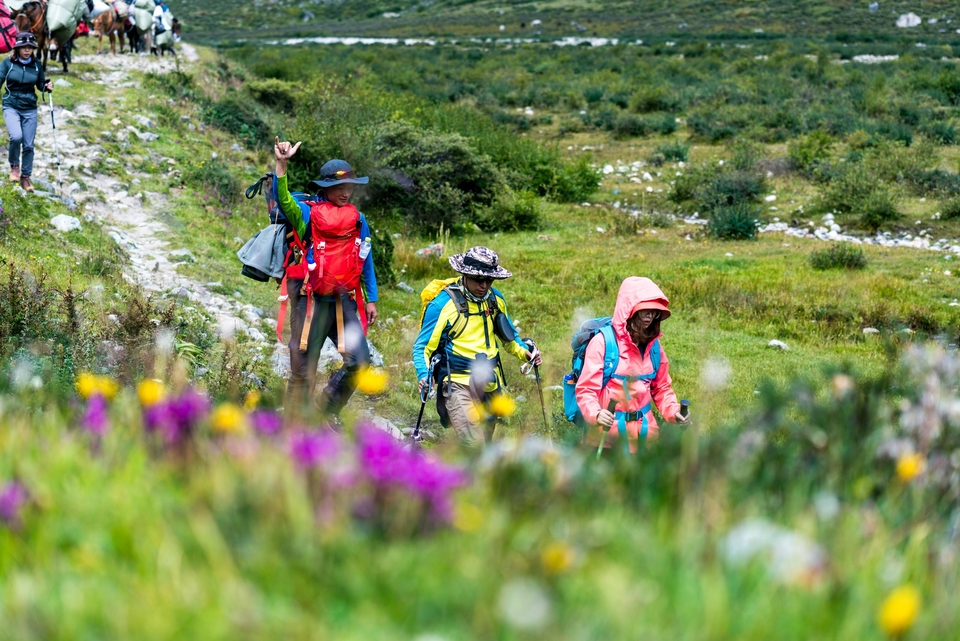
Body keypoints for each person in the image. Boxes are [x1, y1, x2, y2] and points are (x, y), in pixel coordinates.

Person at [273, 137, 379, 423]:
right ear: (326, 188)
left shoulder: (358, 218)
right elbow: (283, 201)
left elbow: (365, 256)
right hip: (310, 301)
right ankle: (294, 426)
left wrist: (371, 298)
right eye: (339, 188)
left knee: (361, 362)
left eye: (349, 187)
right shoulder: (306, 213)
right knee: (303, 368)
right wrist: (281, 164)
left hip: (343, 301)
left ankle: (324, 411)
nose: (345, 193)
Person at [413, 247, 542, 447]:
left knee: (486, 445)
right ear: (464, 274)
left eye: (489, 280)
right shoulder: (442, 305)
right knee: (474, 444)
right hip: (456, 381)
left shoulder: (495, 299)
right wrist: (423, 375)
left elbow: (509, 337)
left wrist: (526, 353)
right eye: (477, 279)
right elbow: (422, 347)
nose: (484, 285)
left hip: (489, 382)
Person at [575, 277, 688, 454]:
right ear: (630, 310)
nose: (650, 316)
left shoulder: (654, 348)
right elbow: (586, 390)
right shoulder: (603, 343)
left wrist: (675, 412)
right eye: (645, 311)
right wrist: (596, 414)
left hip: (644, 440)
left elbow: (662, 389)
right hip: (605, 440)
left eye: (654, 311)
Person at [0, 32, 52, 193]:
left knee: (29, 145)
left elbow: (40, 84)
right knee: (16, 137)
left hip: (30, 108)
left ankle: (26, 177)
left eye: (30, 47)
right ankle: (14, 166)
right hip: (11, 105)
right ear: (18, 48)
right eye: (24, 47)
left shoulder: (36, 64)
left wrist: (46, 86)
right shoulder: (7, 63)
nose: (27, 50)